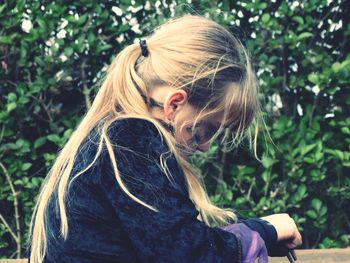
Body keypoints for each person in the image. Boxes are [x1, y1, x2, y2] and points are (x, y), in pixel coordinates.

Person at [26, 14, 302, 263]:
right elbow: (190, 256)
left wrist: (255, 231)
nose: (205, 146)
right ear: (174, 105)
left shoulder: (107, 140)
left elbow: (170, 240)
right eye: (206, 129)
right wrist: (265, 231)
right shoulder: (131, 142)